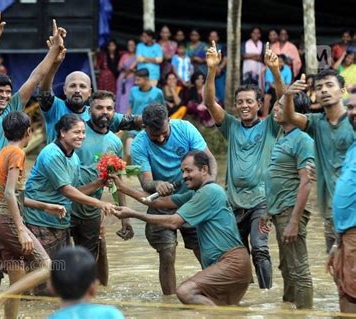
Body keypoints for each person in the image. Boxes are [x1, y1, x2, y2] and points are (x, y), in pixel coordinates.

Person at [0, 14, 65, 294]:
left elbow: (35, 78)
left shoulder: (13, 111)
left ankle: (1, 306)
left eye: (7, 91)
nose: (3, 95)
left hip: (2, 199)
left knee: (6, 262)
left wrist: (53, 51)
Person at [112, 151, 252, 306]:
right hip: (230, 265)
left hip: (231, 263)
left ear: (204, 170)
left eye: (189, 170)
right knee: (222, 310)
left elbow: (173, 222)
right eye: (182, 172)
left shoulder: (209, 192)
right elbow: (160, 202)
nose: (184, 176)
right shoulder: (197, 193)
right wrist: (123, 188)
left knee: (185, 292)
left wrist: (134, 213)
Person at [204, 41, 284, 289]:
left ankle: (266, 297)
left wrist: (275, 70)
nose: (244, 106)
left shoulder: (270, 126)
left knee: (259, 248)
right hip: (233, 202)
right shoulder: (231, 126)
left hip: (261, 201)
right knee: (237, 255)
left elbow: (284, 100)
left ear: (260, 104)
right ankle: (243, 300)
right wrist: (211, 70)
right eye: (240, 102)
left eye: (249, 101)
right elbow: (209, 103)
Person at [130, 103, 217, 295]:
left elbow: (209, 160)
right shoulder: (138, 144)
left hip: (192, 199)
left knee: (204, 250)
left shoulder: (185, 128)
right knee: (167, 254)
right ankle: (168, 303)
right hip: (161, 204)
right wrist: (157, 184)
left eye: (164, 133)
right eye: (155, 136)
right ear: (145, 128)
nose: (160, 138)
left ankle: (216, 294)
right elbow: (146, 183)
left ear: (169, 121)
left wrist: (209, 186)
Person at [24, 114, 116, 294]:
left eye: (83, 132)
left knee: (59, 281)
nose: (81, 136)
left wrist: (98, 183)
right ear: (62, 133)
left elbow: (75, 191)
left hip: (60, 221)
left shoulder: (73, 157)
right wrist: (99, 203)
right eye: (76, 132)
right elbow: (66, 190)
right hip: (41, 220)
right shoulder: (52, 154)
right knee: (42, 282)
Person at [0, 111, 65, 319]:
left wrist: (44, 206)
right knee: (47, 266)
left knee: (17, 276)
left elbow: (12, 194)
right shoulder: (18, 153)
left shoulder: (3, 151)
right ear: (28, 131)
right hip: (7, 219)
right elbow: (10, 194)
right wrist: (21, 229)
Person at [281, 69, 355, 252]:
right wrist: (289, 95)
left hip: (352, 209)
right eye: (319, 87)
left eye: (330, 85)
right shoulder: (316, 123)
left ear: (342, 90)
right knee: (338, 273)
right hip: (331, 212)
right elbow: (290, 117)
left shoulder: (353, 121)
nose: (324, 90)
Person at [71, 90, 133, 286]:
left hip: (91, 210)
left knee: (89, 263)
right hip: (64, 208)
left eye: (109, 108)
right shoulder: (77, 134)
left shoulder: (114, 142)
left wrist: (124, 217)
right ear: (90, 110)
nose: (104, 112)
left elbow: (117, 179)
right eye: (99, 108)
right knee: (60, 262)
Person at [260, 91, 314, 309]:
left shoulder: (303, 140)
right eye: (276, 105)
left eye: (281, 106)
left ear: (294, 111)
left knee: (299, 269)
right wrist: (267, 212)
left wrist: (293, 221)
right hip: (279, 211)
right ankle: (289, 308)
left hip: (291, 211)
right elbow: (278, 176)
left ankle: (304, 312)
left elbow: (306, 182)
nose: (275, 109)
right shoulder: (283, 136)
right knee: (287, 266)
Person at [37, 37, 142, 145]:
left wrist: (150, 118)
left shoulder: (97, 113)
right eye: (73, 86)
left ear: (90, 92)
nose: (77, 90)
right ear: (64, 90)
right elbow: (44, 90)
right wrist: (54, 63)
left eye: (82, 86)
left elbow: (131, 121)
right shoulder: (55, 108)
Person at [327, 97, 356, 313]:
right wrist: (337, 243)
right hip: (345, 233)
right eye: (350, 107)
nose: (351, 112)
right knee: (344, 288)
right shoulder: (353, 147)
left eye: (355, 107)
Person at [124, 68, 165, 162]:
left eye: (138, 80)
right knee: (129, 151)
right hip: (134, 125)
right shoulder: (133, 91)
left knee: (150, 155)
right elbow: (130, 107)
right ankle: (125, 170)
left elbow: (163, 110)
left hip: (151, 127)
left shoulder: (157, 93)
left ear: (146, 79)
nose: (136, 82)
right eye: (136, 79)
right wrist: (124, 121)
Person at [115, 39, 137, 114]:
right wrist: (123, 67)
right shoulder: (124, 56)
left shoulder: (137, 57)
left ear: (135, 46)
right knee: (119, 98)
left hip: (131, 80)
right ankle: (118, 116)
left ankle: (125, 116)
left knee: (127, 98)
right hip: (121, 79)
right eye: (129, 45)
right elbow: (118, 68)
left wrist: (132, 70)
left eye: (132, 45)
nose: (131, 46)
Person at [207, 31, 227, 104]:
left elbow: (225, 58)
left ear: (218, 38)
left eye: (215, 36)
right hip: (208, 74)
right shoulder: (205, 47)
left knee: (221, 94)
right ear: (209, 38)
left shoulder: (222, 47)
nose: (213, 38)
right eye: (211, 36)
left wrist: (220, 68)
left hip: (220, 74)